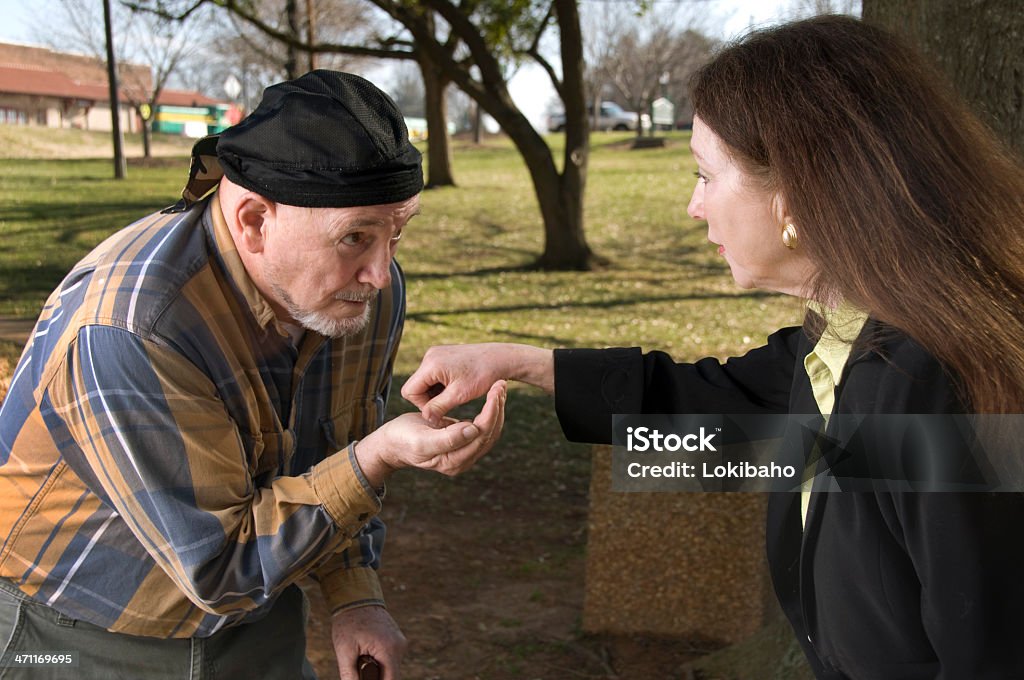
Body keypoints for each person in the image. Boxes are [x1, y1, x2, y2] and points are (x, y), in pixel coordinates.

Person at [402, 16, 1024, 680]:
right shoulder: (842, 341)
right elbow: (714, 409)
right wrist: (518, 364)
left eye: (706, 175)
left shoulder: (932, 389)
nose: (694, 207)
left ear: (793, 196)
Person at [0, 70, 505, 680]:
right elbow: (221, 567)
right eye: (356, 238)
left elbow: (329, 450)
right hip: (75, 629)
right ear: (255, 221)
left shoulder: (363, 291)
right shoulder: (133, 327)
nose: (381, 271)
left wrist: (355, 596)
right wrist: (379, 456)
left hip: (257, 610)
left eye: (397, 232)